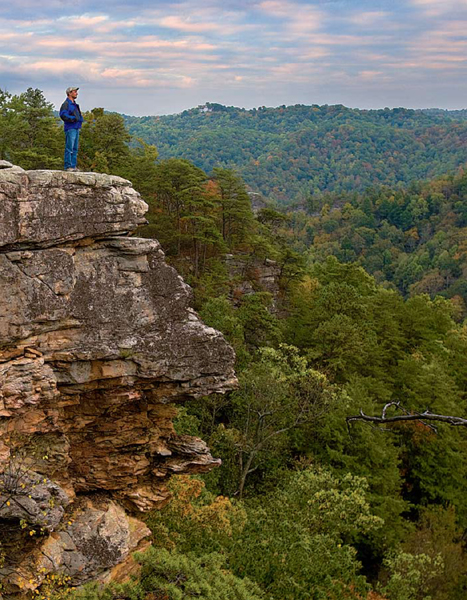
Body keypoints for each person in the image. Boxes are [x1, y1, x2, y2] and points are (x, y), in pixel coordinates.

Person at [60, 87, 83, 171]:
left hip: (76, 127)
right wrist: (73, 119)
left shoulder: (74, 104)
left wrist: (80, 119)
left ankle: (73, 166)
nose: (76, 93)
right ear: (70, 93)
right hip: (70, 128)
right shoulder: (66, 104)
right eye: (75, 92)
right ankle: (68, 166)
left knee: (75, 148)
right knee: (69, 147)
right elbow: (63, 115)